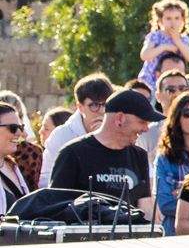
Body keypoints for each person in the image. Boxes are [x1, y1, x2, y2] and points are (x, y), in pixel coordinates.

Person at [48, 88, 159, 217]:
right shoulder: (72, 153)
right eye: (142, 122)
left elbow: (145, 205)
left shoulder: (139, 156)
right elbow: (55, 207)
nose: (146, 129)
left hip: (130, 236)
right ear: (120, 119)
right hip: (85, 235)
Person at [40, 76, 115, 187]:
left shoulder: (118, 133)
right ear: (80, 107)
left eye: (106, 105)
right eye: (94, 105)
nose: (102, 111)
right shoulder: (61, 135)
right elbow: (45, 179)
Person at [151, 91, 189, 235]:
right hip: (175, 235)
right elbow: (165, 204)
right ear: (177, 118)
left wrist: (183, 196)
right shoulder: (164, 159)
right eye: (187, 113)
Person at [139, 0, 189, 87]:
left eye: (177, 18)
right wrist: (164, 47)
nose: (173, 22)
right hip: (150, 81)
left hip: (172, 83)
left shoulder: (183, 39)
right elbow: (144, 55)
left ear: (183, 20)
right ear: (160, 20)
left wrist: (177, 41)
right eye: (168, 18)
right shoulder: (156, 36)